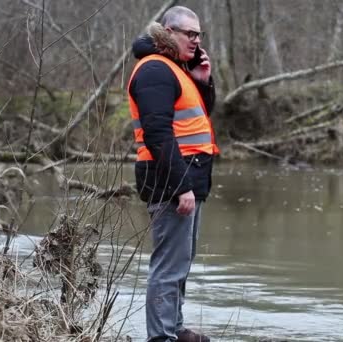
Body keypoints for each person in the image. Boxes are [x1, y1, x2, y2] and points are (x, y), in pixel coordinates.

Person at [127, 5, 219, 342]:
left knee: (181, 263)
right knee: (168, 268)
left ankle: (175, 329)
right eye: (189, 34)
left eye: (199, 35)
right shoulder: (154, 70)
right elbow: (157, 132)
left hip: (187, 178)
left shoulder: (177, 69)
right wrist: (181, 185)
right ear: (168, 32)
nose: (196, 41)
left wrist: (204, 83)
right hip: (171, 180)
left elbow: (194, 120)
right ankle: (162, 337)